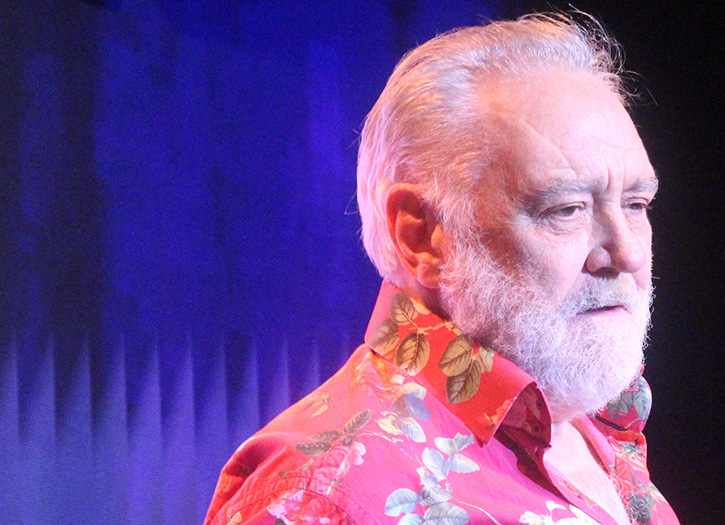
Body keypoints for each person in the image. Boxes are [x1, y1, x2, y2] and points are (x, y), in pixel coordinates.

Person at [204, 12, 680, 525]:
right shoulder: (323, 493)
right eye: (565, 210)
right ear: (422, 236)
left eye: (637, 204)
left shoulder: (595, 429)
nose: (627, 252)